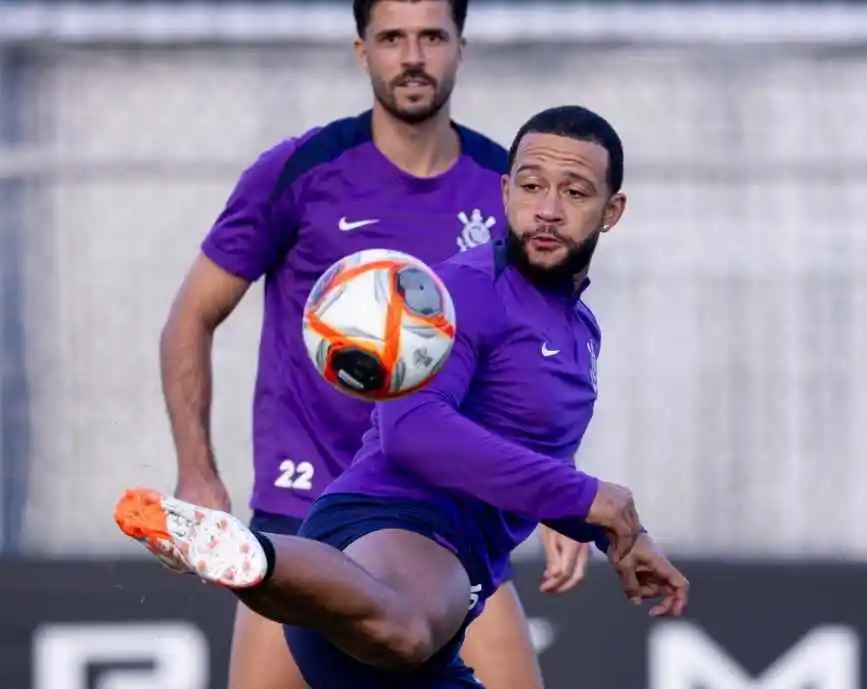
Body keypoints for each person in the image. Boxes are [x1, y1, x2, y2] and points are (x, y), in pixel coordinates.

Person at [120, 104, 689, 688]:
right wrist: (585, 496)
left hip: (450, 601)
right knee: (405, 626)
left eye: (574, 192)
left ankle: (264, 561)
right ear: (504, 190)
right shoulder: (462, 291)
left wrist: (613, 530)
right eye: (532, 185)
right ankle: (248, 554)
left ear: (611, 211)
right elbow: (412, 428)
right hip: (388, 532)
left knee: (417, 636)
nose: (547, 209)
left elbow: (532, 446)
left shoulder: (581, 331)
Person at [158, 1, 588, 688]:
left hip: (439, 524)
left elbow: (532, 354)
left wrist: (557, 488)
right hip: (302, 513)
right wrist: (197, 470)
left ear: (460, 48)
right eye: (391, 37)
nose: (412, 56)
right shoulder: (300, 171)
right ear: (363, 51)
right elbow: (191, 315)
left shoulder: (505, 188)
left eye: (430, 37)